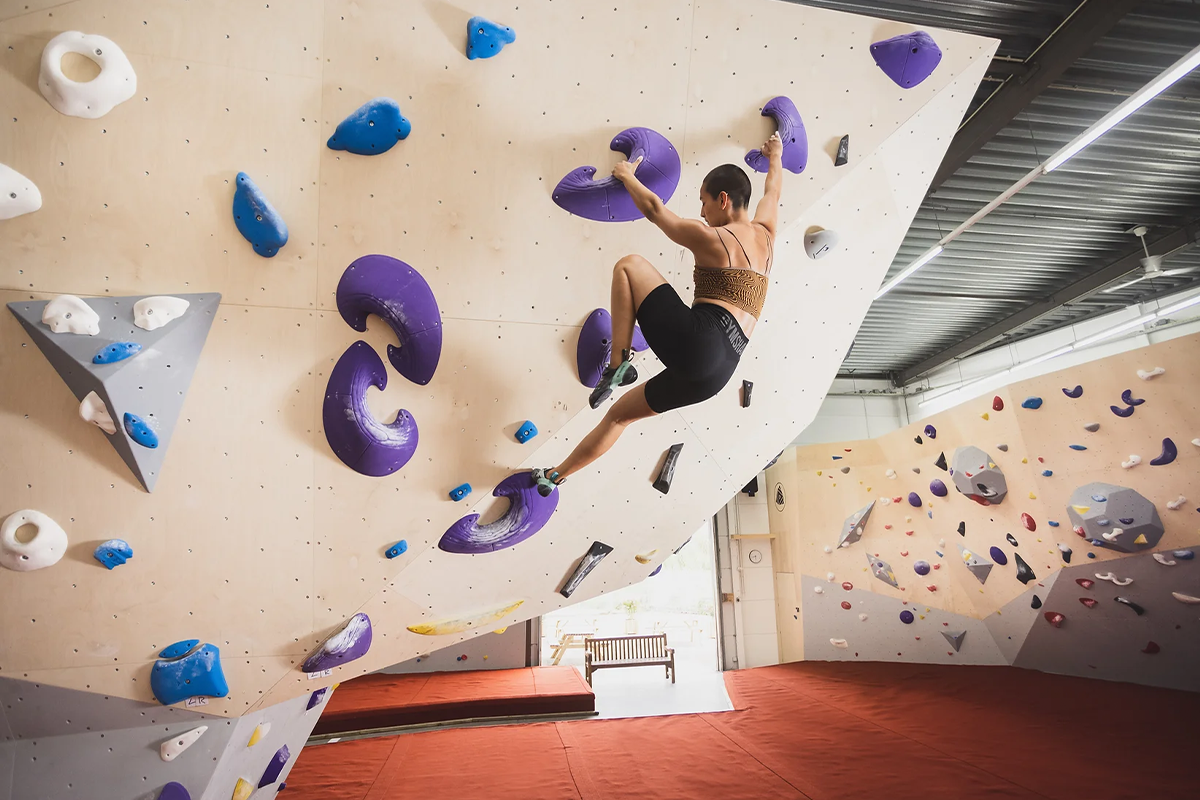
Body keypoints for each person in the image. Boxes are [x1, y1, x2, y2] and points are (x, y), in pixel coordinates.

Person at [533, 132, 784, 497]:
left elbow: (654, 210)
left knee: (629, 266)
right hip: (721, 372)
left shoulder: (714, 238)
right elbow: (773, 192)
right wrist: (774, 157)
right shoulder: (768, 235)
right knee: (620, 415)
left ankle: (618, 360)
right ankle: (554, 477)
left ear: (724, 200)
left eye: (704, 202)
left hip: (703, 340)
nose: (701, 212)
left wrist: (626, 175)